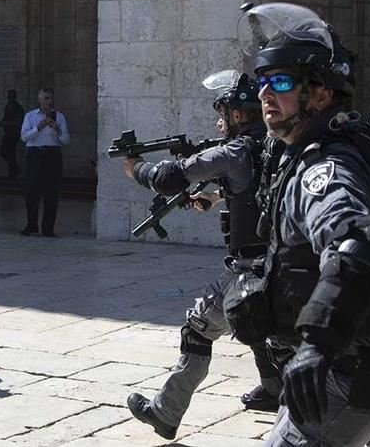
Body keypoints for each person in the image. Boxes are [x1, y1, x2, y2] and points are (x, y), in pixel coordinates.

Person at [234, 3, 370, 446]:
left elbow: (359, 241)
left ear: (321, 95)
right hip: (350, 363)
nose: (264, 93)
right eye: (262, 81)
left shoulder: (326, 168)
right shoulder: (314, 153)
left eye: (281, 82)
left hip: (345, 372)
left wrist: (317, 344)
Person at [122, 70, 288, 440]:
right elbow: (260, 189)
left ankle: (165, 412)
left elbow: (170, 177)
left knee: (198, 329)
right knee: (259, 323)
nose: (219, 121)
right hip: (281, 262)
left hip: (249, 268)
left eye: (223, 113)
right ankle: (273, 389)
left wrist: (138, 170)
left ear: (238, 114)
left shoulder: (234, 151)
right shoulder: (275, 144)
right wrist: (216, 197)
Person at [20, 88, 69, 237]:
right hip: (34, 154)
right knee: (32, 191)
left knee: (52, 192)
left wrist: (57, 129)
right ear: (39, 100)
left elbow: (66, 140)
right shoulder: (30, 116)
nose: (49, 101)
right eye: (46, 98)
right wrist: (38, 127)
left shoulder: (59, 117)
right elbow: (24, 137)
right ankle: (31, 225)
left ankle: (48, 228)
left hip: (52, 155)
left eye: (51, 98)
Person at [0, 89, 25, 178]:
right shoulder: (7, 107)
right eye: (9, 96)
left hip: (14, 133)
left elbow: (19, 122)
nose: (10, 98)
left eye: (11, 96)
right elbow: (6, 118)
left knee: (9, 152)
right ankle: (14, 169)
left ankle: (13, 171)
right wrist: (2, 122)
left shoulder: (18, 108)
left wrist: (6, 123)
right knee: (6, 152)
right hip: (8, 133)